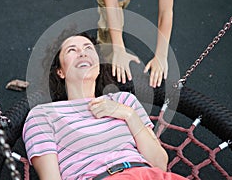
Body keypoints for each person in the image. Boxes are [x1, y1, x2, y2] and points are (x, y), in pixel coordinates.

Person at [22, 30, 187, 180]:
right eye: (72, 50)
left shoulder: (123, 101)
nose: (82, 53)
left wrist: (128, 114)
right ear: (60, 71)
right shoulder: (43, 115)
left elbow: (159, 163)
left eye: (88, 48)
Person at [96, 0, 175, 88]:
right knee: (107, 24)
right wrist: (118, 49)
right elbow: (112, 6)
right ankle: (106, 65)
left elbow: (165, 12)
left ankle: (121, 3)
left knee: (121, 2)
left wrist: (161, 55)